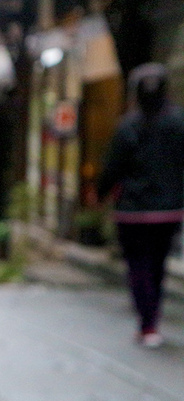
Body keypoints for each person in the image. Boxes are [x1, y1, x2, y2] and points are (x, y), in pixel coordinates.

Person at [98, 63, 184, 348]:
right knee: (157, 266)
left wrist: (101, 193)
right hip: (168, 210)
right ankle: (151, 322)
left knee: (138, 266)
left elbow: (112, 167)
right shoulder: (178, 122)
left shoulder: (128, 126)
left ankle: (147, 323)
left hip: (133, 211)